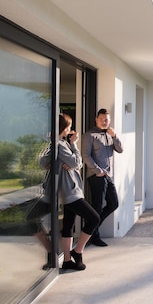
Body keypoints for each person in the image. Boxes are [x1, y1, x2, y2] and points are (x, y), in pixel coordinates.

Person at [57, 113, 100, 270]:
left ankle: (67, 260)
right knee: (94, 218)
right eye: (69, 126)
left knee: (68, 224)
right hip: (70, 191)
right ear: (63, 127)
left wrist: (75, 162)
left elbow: (77, 164)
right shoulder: (61, 145)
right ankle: (78, 251)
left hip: (72, 189)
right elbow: (76, 161)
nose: (70, 129)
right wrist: (74, 145)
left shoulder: (63, 143)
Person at [82, 108, 123, 247]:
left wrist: (115, 136)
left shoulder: (109, 135)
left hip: (108, 175)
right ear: (96, 119)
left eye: (106, 119)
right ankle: (94, 235)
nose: (104, 122)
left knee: (113, 203)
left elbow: (120, 149)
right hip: (96, 176)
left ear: (109, 121)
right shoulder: (89, 135)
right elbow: (85, 156)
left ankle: (90, 230)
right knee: (97, 207)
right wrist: (98, 171)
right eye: (101, 119)